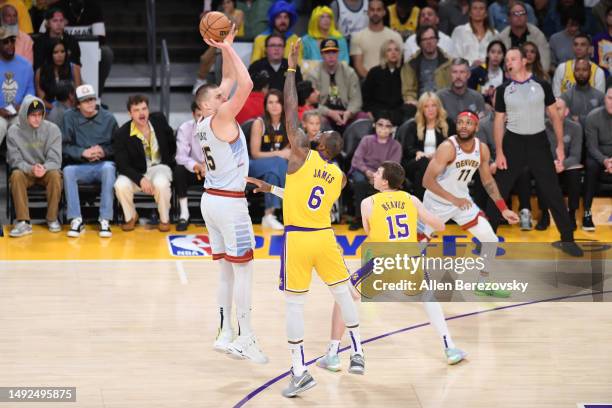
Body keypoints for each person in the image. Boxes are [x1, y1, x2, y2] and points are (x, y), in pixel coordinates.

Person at [277, 39, 364, 397]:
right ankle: (358, 352)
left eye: (321, 133)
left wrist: (292, 68)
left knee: (295, 302)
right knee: (343, 293)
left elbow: (289, 108)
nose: (316, 131)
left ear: (323, 145)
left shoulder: (301, 154)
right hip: (325, 237)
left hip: (298, 238)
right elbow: (304, 193)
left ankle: (299, 369)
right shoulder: (339, 177)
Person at [195, 28, 267, 364]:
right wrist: (227, 46)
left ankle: (225, 333)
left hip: (211, 199)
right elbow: (247, 84)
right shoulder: (221, 116)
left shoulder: (203, 121)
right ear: (207, 106)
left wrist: (225, 46)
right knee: (245, 271)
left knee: (225, 271)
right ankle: (247, 337)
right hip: (229, 204)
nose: (226, 98)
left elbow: (226, 80)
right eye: (220, 98)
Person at [484, 47, 582, 256]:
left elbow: (555, 116)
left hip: (538, 142)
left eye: (512, 58)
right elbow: (499, 121)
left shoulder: (542, 85)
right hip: (513, 143)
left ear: (524, 61)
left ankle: (567, 238)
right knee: (499, 189)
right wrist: (500, 151)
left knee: (552, 190)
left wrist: (560, 146)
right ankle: (487, 239)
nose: (508, 62)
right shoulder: (503, 90)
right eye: (506, 59)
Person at [422, 110, 520, 296]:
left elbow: (488, 181)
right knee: (415, 245)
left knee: (490, 240)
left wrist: (504, 209)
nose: (463, 126)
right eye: (460, 122)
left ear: (476, 126)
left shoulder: (481, 148)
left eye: (468, 122)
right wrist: (454, 199)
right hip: (436, 203)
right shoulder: (447, 147)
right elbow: (427, 181)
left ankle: (483, 282)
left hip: (462, 203)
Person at [113, 95, 175, 233]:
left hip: (159, 167)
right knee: (120, 185)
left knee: (161, 183)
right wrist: (140, 179)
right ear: (130, 113)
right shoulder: (122, 133)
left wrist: (170, 162)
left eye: (144, 109)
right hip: (135, 171)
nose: (141, 113)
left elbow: (171, 143)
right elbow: (122, 165)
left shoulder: (159, 120)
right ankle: (131, 216)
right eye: (136, 110)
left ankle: (164, 219)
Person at [62, 84, 117, 237]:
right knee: (67, 171)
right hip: (80, 165)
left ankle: (105, 219)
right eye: (86, 101)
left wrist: (103, 151)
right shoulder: (69, 117)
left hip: (102, 165)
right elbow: (63, 146)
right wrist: (83, 152)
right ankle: (76, 219)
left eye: (92, 99)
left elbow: (118, 146)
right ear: (78, 104)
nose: (91, 103)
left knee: (109, 168)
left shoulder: (108, 118)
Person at [7, 96, 62, 237]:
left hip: (46, 170)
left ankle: (52, 218)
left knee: (56, 175)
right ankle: (23, 222)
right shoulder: (13, 131)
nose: (37, 119)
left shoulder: (53, 130)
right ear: (25, 114)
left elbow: (55, 159)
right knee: (16, 175)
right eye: (33, 115)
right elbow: (15, 160)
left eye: (40, 115)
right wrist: (30, 169)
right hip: (26, 172)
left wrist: (44, 167)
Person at [349, 111, 402, 230]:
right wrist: (368, 172)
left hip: (384, 174)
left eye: (387, 125)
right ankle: (359, 218)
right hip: (364, 171)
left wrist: (379, 176)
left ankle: (383, 218)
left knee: (390, 183)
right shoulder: (366, 140)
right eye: (380, 124)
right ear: (374, 125)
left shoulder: (396, 145)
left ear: (392, 129)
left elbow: (394, 166)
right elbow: (356, 160)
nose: (383, 128)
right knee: (360, 182)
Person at [47, 0, 113, 94]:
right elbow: (44, 35)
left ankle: (95, 96)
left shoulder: (94, 7)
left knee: (106, 53)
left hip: (90, 49)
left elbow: (101, 38)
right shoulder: (56, 6)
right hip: (63, 50)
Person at [536, 98, 583, 231]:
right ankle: (544, 215)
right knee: (540, 171)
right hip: (548, 165)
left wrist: (562, 165)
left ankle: (571, 214)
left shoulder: (575, 128)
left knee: (575, 173)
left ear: (566, 111)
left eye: (558, 108)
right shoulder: (539, 128)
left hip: (566, 166)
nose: (554, 112)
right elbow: (537, 153)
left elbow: (576, 156)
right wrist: (551, 165)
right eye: (551, 109)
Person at [401, 92, 455, 199]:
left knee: (428, 167)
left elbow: (454, 145)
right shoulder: (413, 125)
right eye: (426, 106)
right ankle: (423, 203)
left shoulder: (448, 124)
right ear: (422, 109)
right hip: (417, 161)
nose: (430, 109)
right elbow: (407, 148)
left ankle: (423, 204)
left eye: (433, 105)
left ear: (438, 107)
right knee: (423, 162)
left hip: (441, 162)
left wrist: (438, 155)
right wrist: (418, 152)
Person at [248, 89, 289, 230]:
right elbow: (255, 153)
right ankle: (288, 206)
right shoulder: (259, 123)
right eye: (270, 102)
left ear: (283, 105)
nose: (274, 105)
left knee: (272, 175)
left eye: (278, 102)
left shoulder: (287, 124)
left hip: (275, 170)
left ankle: (269, 216)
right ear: (265, 105)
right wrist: (278, 154)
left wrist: (283, 155)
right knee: (279, 162)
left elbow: (291, 151)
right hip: (254, 166)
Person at [306, 38, 363, 133]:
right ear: (321, 54)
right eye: (327, 52)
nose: (331, 56)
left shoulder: (349, 72)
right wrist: (330, 113)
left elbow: (356, 100)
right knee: (318, 121)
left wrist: (349, 112)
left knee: (363, 118)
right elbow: (310, 103)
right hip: (324, 114)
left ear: (338, 53)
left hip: (346, 112)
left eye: (334, 52)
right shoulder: (313, 75)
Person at [362, 38, 412, 125]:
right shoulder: (374, 72)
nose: (393, 53)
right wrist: (368, 111)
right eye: (389, 50)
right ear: (383, 53)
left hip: (399, 111)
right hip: (379, 111)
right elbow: (366, 96)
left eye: (396, 50)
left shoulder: (405, 71)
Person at [583, 83, 612, 232]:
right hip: (598, 156)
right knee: (592, 165)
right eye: (610, 98)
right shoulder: (593, 117)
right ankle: (587, 212)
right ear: (604, 99)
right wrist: (605, 161)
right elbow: (592, 146)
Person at [0, 25, 35, 150]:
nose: (10, 45)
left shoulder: (25, 65)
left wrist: (21, 107)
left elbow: (30, 92)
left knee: (22, 127)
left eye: (12, 41)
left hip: (18, 112)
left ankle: (17, 167)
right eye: (5, 42)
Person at [350, 0, 403, 79]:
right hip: (367, 83)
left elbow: (399, 63)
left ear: (384, 12)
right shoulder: (357, 37)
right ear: (367, 12)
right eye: (372, 10)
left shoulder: (395, 36)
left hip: (392, 81)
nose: (375, 13)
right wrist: (374, 82)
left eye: (378, 10)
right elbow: (358, 67)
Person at [401, 25, 452, 105]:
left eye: (432, 38)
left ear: (437, 40)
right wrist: (415, 104)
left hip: (443, 105)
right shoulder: (411, 64)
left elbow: (452, 89)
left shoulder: (449, 62)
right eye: (425, 39)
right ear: (419, 43)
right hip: (419, 106)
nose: (429, 42)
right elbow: (408, 92)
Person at [174, 101, 205, 231]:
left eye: (206, 116)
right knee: (179, 169)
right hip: (192, 170)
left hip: (213, 170)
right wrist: (197, 166)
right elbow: (180, 157)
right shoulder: (184, 128)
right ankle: (184, 213)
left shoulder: (219, 129)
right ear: (193, 115)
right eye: (199, 116)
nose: (202, 120)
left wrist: (208, 167)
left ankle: (214, 215)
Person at [497, 1, 551, 72]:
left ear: (526, 17)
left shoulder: (537, 34)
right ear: (509, 18)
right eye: (515, 14)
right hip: (510, 77)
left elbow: (545, 62)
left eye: (522, 13)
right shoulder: (502, 37)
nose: (519, 16)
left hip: (534, 76)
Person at [552, 33, 606, 97]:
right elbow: (556, 96)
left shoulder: (598, 72)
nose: (578, 48)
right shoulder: (562, 68)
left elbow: (598, 99)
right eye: (576, 44)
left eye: (583, 45)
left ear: (590, 49)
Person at [35, 38, 82, 110]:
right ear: (49, 54)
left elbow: (78, 95)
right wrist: (56, 109)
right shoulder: (40, 71)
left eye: (62, 51)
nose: (60, 55)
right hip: (48, 111)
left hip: (70, 109)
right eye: (55, 52)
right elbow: (41, 99)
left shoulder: (74, 68)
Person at [560, 57, 605, 128]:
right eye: (577, 70)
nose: (580, 73)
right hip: (573, 137)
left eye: (584, 70)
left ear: (590, 72)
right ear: (574, 72)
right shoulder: (565, 96)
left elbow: (602, 121)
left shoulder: (600, 96)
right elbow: (566, 122)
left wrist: (579, 119)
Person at [450, 0, 498, 66]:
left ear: (486, 13)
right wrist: (471, 63)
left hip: (488, 72)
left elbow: (498, 57)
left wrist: (484, 65)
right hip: (464, 72)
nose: (478, 11)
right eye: (475, 8)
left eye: (481, 8)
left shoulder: (494, 34)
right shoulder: (459, 31)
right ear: (470, 12)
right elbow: (454, 56)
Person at [33, 7, 81, 72]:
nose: (59, 24)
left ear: (65, 22)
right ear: (48, 23)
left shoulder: (72, 41)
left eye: (61, 20)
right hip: (46, 78)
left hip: (68, 78)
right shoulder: (40, 42)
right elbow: (38, 68)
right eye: (55, 20)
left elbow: (76, 66)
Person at [468, 40, 506, 107]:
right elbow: (469, 97)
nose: (496, 55)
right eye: (493, 52)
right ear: (488, 54)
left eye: (499, 53)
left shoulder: (506, 76)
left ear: (503, 56)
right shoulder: (476, 73)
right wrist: (483, 105)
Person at [592, 5, 612, 76]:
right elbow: (596, 61)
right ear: (606, 18)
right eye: (610, 15)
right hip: (603, 77)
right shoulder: (597, 38)